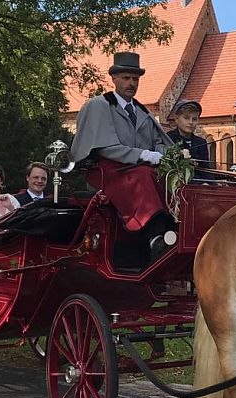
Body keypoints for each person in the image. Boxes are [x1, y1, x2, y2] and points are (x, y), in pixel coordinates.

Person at [69, 51, 176, 258]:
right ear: (114, 79)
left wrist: (161, 154)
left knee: (164, 177)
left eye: (135, 79)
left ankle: (174, 228)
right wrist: (143, 154)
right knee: (142, 176)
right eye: (126, 78)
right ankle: (155, 236)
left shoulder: (142, 111)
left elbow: (160, 142)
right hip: (107, 171)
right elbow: (104, 148)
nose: (131, 83)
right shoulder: (100, 105)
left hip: (138, 168)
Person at [167, 99, 212, 182]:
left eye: (194, 119)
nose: (191, 122)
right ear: (176, 119)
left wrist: (208, 184)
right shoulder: (169, 139)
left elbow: (206, 170)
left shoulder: (201, 142)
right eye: (186, 118)